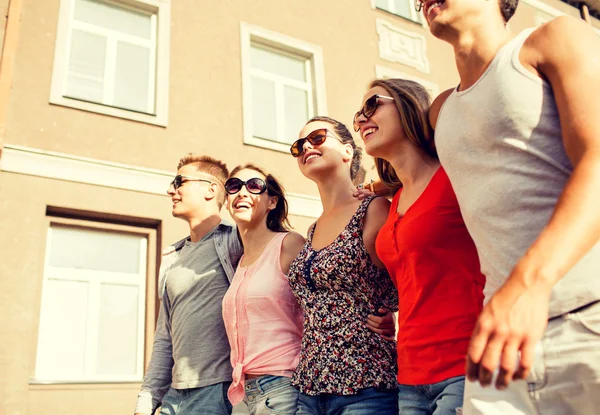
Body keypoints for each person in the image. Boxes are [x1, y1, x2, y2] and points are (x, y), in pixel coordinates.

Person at [420, 0, 600, 411]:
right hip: (499, 342)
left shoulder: (553, 38)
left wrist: (528, 286)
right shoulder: (441, 110)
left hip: (587, 316)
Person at [353, 78, 485, 415]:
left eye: (372, 106)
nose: (361, 120)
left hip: (466, 364)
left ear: (408, 105)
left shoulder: (456, 176)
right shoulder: (392, 199)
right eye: (358, 115)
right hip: (410, 375)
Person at [287, 116, 399, 414]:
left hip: (366, 384)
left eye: (318, 137)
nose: (306, 147)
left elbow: (408, 278)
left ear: (348, 151)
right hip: (309, 387)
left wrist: (392, 317)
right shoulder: (312, 229)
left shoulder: (373, 209)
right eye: (299, 145)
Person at [134, 155, 242, 415]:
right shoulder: (173, 257)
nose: (171, 190)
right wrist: (147, 400)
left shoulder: (236, 241)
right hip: (174, 395)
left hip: (217, 392)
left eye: (179, 181)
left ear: (210, 189)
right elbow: (164, 337)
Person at [221, 163, 305, 415]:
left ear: (272, 202)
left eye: (254, 186)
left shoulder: (289, 244)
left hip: (282, 387)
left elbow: (321, 306)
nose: (242, 193)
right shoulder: (236, 262)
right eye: (234, 186)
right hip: (243, 393)